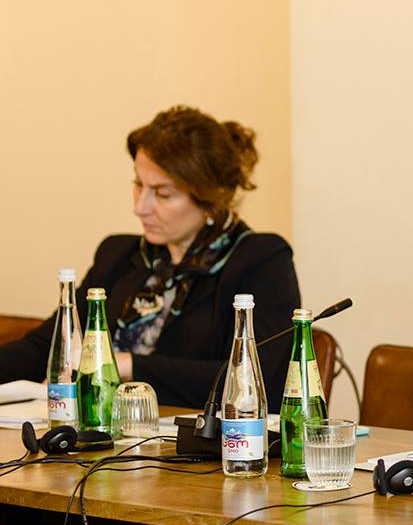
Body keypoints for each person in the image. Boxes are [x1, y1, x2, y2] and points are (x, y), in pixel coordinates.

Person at [0, 106, 301, 408]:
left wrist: (126, 364)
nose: (140, 207)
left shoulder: (261, 260)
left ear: (211, 199)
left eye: (163, 194)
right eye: (138, 185)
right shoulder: (118, 255)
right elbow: (47, 347)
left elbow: (257, 380)